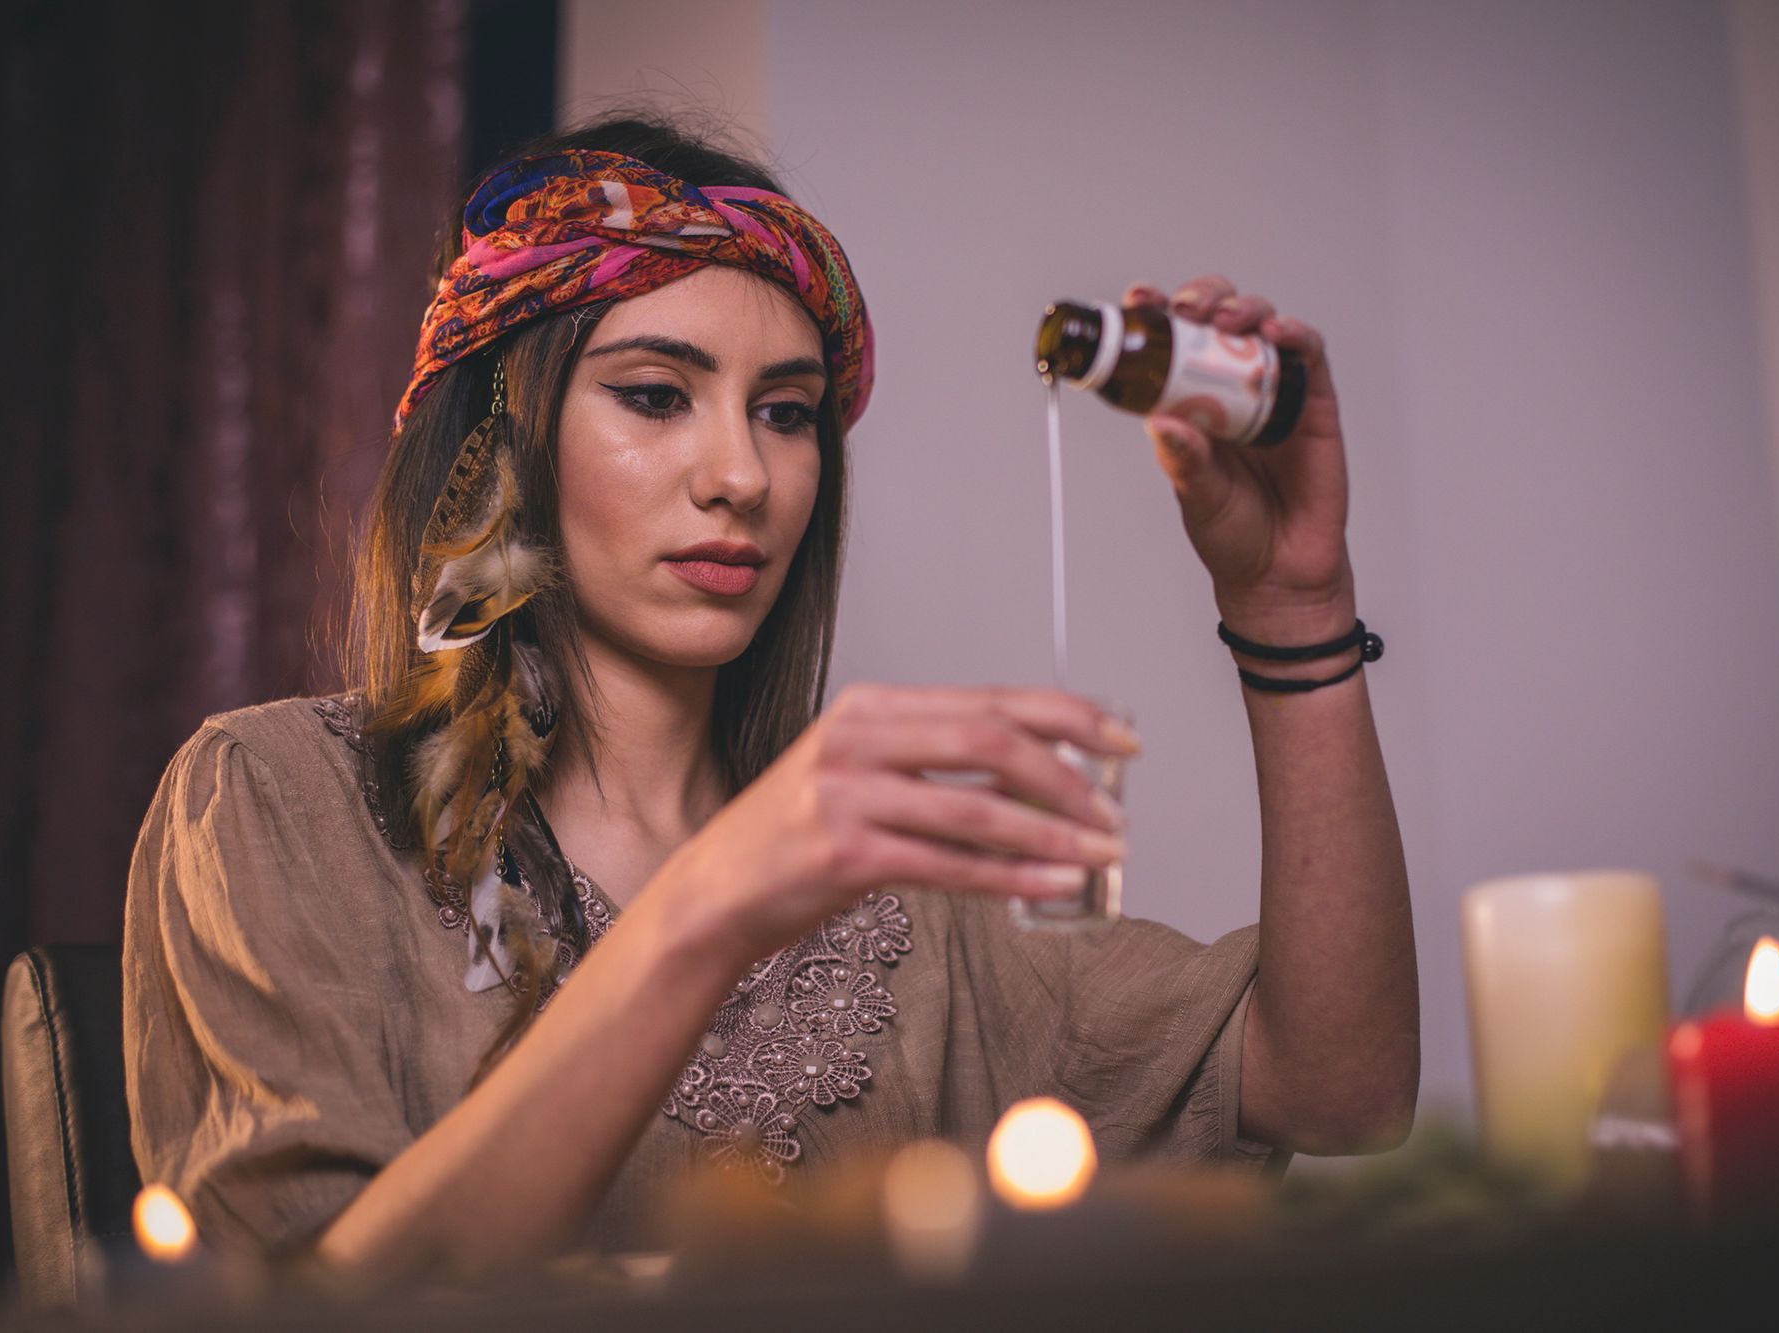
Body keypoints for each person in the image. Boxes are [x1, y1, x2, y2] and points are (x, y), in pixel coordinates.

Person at [122, 112, 1418, 1283]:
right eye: (654, 395)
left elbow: (1338, 1086)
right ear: (502, 439)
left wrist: (1293, 608)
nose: (741, 473)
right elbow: (308, 1310)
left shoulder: (895, 882)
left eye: (787, 414)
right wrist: (707, 908)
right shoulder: (279, 800)